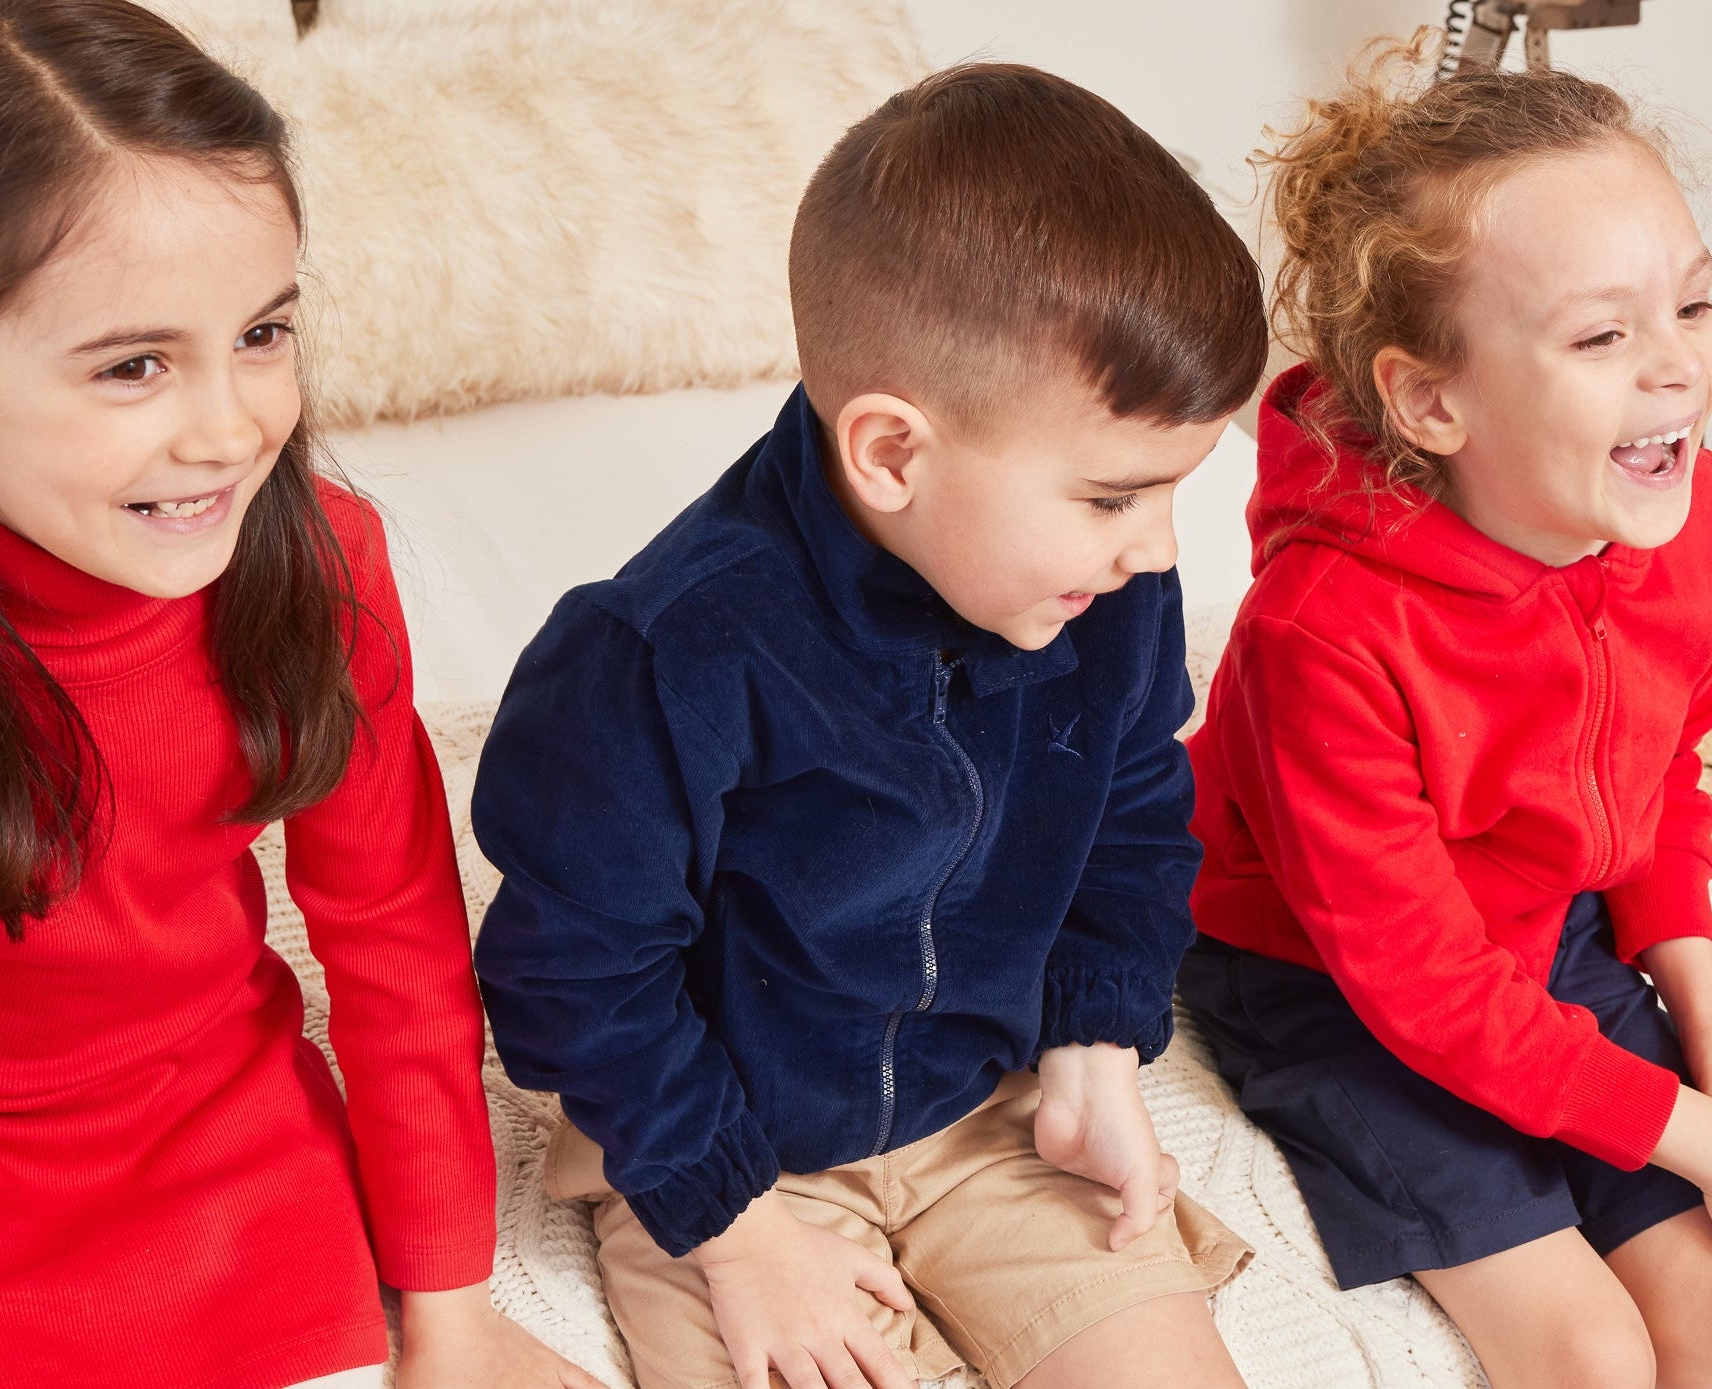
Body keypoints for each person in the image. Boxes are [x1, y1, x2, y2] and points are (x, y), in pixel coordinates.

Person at [0, 3, 600, 1386]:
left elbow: (396, 942)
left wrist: (452, 1303)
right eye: (133, 364)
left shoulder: (321, 563)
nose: (230, 426)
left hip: (235, 1168)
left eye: (262, 332)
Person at [472, 63, 1266, 1389]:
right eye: (1113, 497)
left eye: (1173, 489)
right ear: (894, 454)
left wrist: (1090, 1041)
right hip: (733, 1155)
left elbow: (1130, 803)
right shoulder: (661, 653)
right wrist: (733, 1231)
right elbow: (575, 974)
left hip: (990, 1113)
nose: (1157, 547)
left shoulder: (1101, 581)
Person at [1179, 35, 1712, 1389]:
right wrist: (1708, 1139)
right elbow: (1424, 986)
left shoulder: (1703, 523)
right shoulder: (1319, 632)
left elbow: (1667, 783)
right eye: (1601, 334)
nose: (1677, 368)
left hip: (1544, 934)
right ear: (1429, 398)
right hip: (1335, 986)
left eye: (1689, 306)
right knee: (1592, 1354)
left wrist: (1708, 1016)